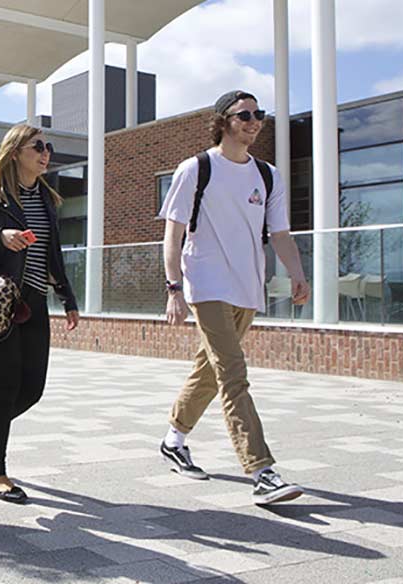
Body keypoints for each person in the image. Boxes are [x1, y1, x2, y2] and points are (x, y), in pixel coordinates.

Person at [158, 90, 311, 505]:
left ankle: (174, 438)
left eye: (258, 114)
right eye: (244, 114)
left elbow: (279, 234)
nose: (254, 121)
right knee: (232, 373)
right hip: (207, 284)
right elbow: (172, 235)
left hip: (248, 287)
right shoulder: (197, 168)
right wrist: (174, 289)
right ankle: (262, 470)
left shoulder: (268, 175)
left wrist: (297, 274)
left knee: (209, 370)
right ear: (223, 121)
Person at [0, 124, 80, 504]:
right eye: (38, 147)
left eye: (48, 146)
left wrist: (67, 296)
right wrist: (0, 238)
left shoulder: (47, 198)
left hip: (35, 300)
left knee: (33, 389)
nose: (46, 153)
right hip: (1, 303)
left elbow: (52, 253)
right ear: (15, 153)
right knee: (6, 385)